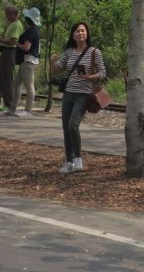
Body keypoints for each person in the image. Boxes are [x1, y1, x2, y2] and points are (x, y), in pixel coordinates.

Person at [52, 20, 106, 173]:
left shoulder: (95, 52)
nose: (80, 33)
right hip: (69, 93)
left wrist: (90, 77)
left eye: (83, 30)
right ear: (73, 35)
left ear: (87, 33)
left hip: (83, 94)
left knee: (72, 125)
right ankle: (69, 162)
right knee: (65, 128)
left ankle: (78, 158)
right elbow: (57, 69)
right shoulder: (69, 52)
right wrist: (53, 61)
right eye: (77, 31)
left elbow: (103, 72)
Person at [0, 6, 22, 112]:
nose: (6, 16)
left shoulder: (16, 25)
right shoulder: (11, 24)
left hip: (10, 52)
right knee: (0, 76)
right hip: (5, 52)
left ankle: (9, 103)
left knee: (7, 77)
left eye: (8, 14)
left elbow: (12, 42)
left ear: (14, 14)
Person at [11, 7, 42, 117]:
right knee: (16, 83)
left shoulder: (31, 31)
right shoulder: (35, 30)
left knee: (29, 86)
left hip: (28, 60)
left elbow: (26, 47)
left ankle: (28, 110)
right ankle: (13, 108)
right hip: (28, 60)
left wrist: (16, 44)